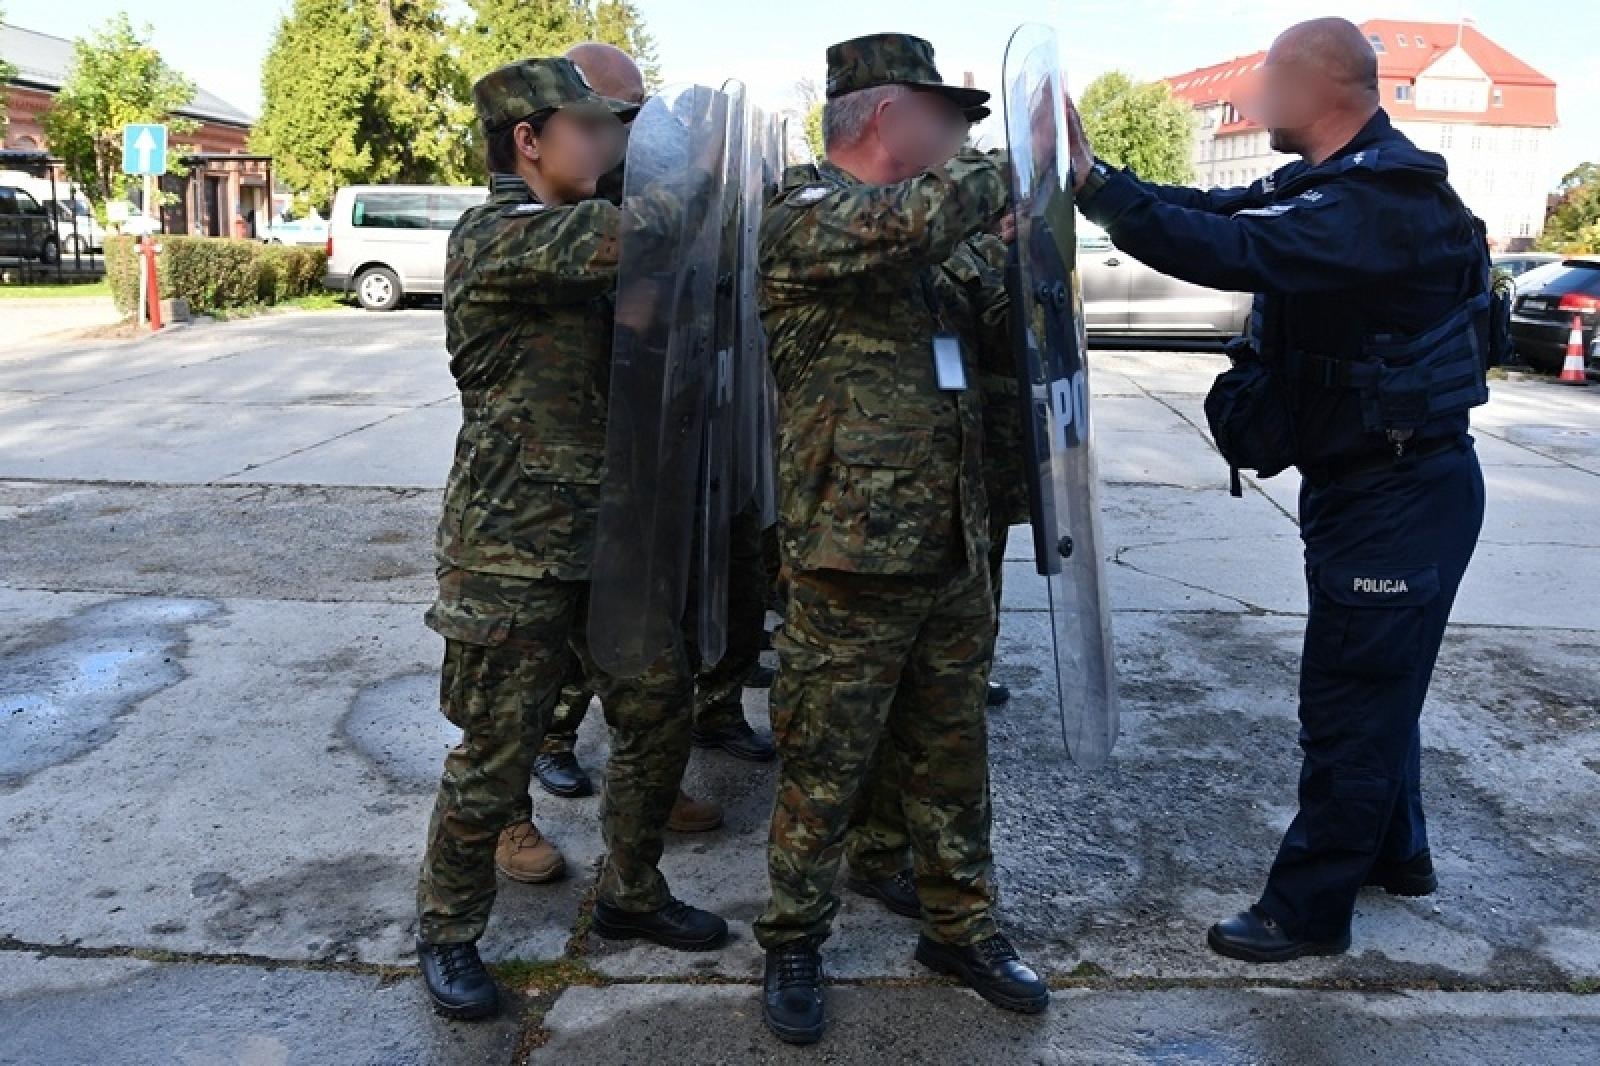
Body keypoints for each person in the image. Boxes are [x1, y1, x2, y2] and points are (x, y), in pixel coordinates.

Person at [1065, 16, 1489, 962]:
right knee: (1378, 685)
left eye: (1268, 82)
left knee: (1351, 704)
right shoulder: (1336, 184)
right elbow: (1216, 214)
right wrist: (1102, 184)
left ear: (1319, 89)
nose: (1252, 101)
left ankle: (1306, 911)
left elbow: (1231, 254)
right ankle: (1397, 855)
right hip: (1372, 485)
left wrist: (1095, 189)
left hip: (1398, 493)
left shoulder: (1381, 202)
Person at [415, 57, 729, 1022]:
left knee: (658, 709)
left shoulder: (580, 232)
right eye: (591, 127)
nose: (610, 142)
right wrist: (705, 163)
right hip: (511, 546)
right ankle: (449, 930)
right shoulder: (499, 237)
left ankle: (632, 888)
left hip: (612, 536)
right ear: (528, 140)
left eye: (615, 126)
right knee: (496, 752)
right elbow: (642, 233)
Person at [754, 33, 1049, 1046]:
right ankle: (794, 936)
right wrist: (1027, 155)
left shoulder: (942, 236)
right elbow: (902, 225)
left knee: (952, 748)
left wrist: (1026, 251)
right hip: (852, 552)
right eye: (947, 118)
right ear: (888, 116)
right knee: (824, 761)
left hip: (954, 541)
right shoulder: (804, 214)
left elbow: (1006, 330)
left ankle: (961, 924)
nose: (959, 137)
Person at [531, 42, 776, 808]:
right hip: (595, 436)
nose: (631, 127)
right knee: (587, 608)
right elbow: (630, 264)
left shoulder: (685, 185)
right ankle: (551, 738)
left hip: (688, 414)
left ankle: (697, 726)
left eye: (638, 113)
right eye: (620, 113)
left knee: (698, 589)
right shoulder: (572, 192)